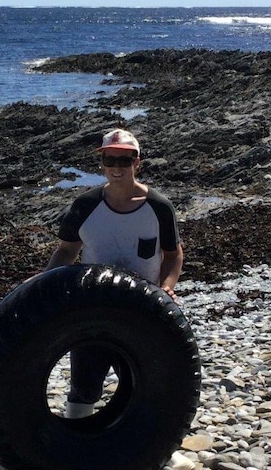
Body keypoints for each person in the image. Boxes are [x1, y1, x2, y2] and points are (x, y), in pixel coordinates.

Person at [45, 128, 184, 418]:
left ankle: (143, 448)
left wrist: (168, 287)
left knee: (145, 382)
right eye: (110, 159)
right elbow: (66, 251)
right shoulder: (85, 205)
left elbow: (173, 255)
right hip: (93, 309)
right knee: (84, 387)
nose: (116, 168)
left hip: (142, 311)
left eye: (124, 160)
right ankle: (75, 444)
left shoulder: (159, 207)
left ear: (137, 163)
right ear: (102, 163)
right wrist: (42, 286)